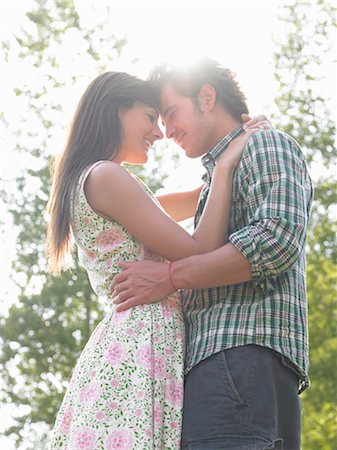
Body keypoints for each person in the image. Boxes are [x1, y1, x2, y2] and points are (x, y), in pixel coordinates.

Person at [46, 71, 262, 449]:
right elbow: (200, 250)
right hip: (142, 339)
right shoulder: (107, 176)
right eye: (149, 116)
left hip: (132, 338)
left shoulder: (97, 183)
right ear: (116, 111)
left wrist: (237, 143)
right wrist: (226, 167)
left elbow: (200, 197)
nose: (159, 132)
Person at [112, 59, 314, 450]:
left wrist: (170, 278)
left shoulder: (264, 143)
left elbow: (276, 238)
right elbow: (147, 205)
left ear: (207, 97)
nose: (166, 132)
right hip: (225, 367)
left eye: (170, 114)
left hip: (239, 356)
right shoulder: (218, 177)